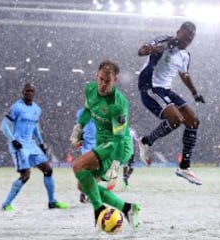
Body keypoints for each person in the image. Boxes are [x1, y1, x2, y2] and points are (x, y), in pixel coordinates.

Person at [70, 60, 140, 229]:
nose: (102, 84)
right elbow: (88, 110)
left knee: (77, 165)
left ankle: (99, 210)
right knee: (84, 185)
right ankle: (127, 208)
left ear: (114, 80)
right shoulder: (90, 89)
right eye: (100, 79)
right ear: (97, 76)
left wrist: (115, 166)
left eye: (107, 81)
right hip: (103, 142)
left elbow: (117, 139)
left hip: (119, 146)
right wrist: (78, 127)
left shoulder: (118, 103)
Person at [137, 21, 204, 185]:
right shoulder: (163, 40)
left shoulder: (185, 55)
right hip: (149, 88)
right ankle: (146, 141)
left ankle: (184, 167)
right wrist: (157, 48)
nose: (186, 42)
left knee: (193, 120)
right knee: (176, 119)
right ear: (178, 32)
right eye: (185, 37)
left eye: (190, 39)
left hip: (166, 90)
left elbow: (184, 74)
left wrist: (195, 93)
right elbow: (141, 51)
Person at [0, 83, 69, 211]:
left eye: (31, 91)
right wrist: (13, 140)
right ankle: (6, 204)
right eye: (27, 91)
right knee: (25, 176)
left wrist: (41, 143)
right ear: (23, 92)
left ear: (34, 93)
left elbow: (35, 128)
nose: (29, 93)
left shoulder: (37, 109)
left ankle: (52, 201)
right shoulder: (16, 107)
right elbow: (3, 125)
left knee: (48, 169)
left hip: (31, 144)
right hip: (19, 145)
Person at [76, 107, 97, 204]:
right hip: (87, 145)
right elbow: (78, 126)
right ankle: (85, 192)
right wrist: (78, 139)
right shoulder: (81, 112)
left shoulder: (104, 110)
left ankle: (86, 192)